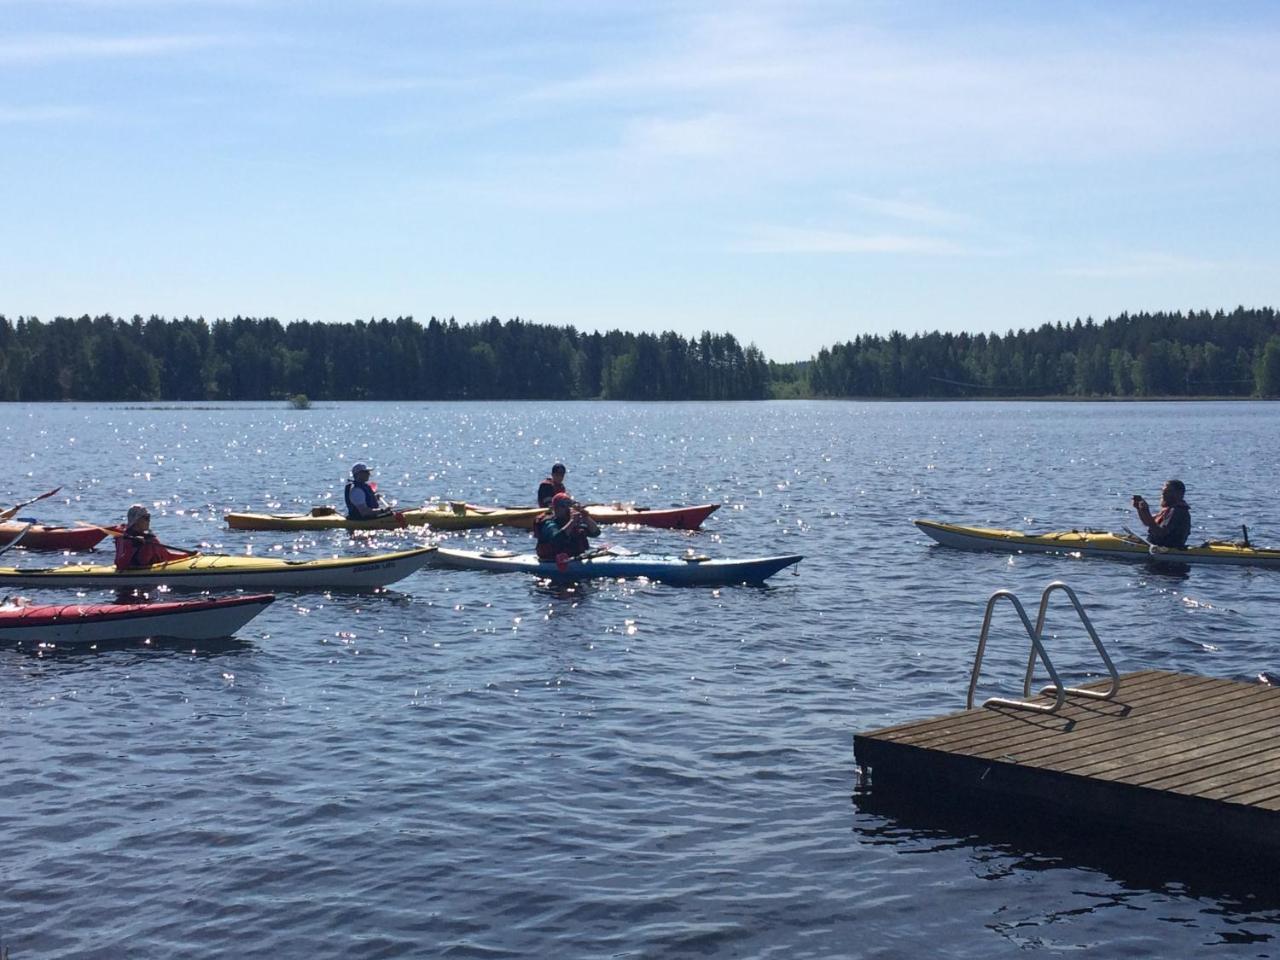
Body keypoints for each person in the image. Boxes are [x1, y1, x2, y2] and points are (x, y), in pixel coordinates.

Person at [114, 504, 197, 569]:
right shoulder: (123, 538)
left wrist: (188, 555)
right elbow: (120, 565)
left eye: (149, 517)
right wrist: (131, 545)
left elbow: (167, 555)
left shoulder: (147, 538)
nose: (149, 520)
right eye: (146, 518)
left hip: (140, 573)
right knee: (151, 541)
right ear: (137, 520)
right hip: (136, 578)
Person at [536, 492, 600, 562]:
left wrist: (586, 517)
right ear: (555, 508)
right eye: (563, 506)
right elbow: (557, 539)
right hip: (552, 560)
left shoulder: (575, 521)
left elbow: (596, 533)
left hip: (575, 558)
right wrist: (572, 522)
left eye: (569, 505)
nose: (567, 509)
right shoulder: (549, 523)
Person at [1132, 480, 1191, 549]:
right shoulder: (1169, 509)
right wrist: (1140, 509)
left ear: (1179, 494)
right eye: (1163, 491)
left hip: (1167, 548)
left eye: (1168, 491)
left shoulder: (1177, 511)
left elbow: (1160, 533)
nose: (1163, 493)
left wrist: (1146, 510)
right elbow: (1148, 522)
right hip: (1156, 545)